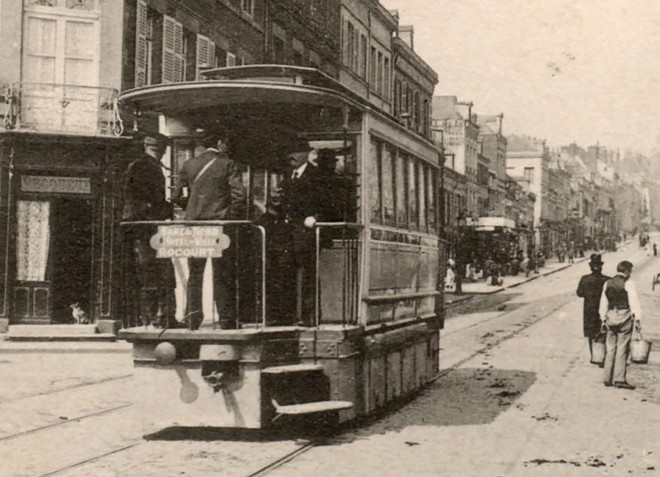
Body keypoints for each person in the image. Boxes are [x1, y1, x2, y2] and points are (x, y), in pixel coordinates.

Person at [172, 131, 246, 330]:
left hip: (194, 226)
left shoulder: (189, 165)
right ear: (220, 142)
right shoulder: (228, 164)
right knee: (222, 273)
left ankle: (192, 318)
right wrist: (226, 215)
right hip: (218, 226)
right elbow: (239, 197)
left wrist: (194, 208)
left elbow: (177, 196)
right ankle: (227, 319)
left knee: (195, 273)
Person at [122, 133, 175, 328]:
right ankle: (157, 318)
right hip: (146, 227)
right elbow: (149, 200)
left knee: (150, 271)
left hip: (140, 226)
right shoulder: (148, 167)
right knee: (155, 271)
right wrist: (168, 208)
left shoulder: (137, 165)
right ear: (160, 149)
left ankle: (154, 317)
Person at [279, 142, 333, 326]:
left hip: (308, 231)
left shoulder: (317, 175)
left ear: (305, 154)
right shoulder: (289, 175)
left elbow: (327, 203)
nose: (291, 156)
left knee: (309, 272)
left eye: (295, 152)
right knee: (286, 270)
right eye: (289, 152)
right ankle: (288, 315)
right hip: (290, 232)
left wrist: (314, 217)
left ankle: (310, 317)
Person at [598, 260, 642, 389]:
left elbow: (603, 302)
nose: (630, 274)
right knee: (622, 348)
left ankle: (607, 377)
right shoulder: (628, 284)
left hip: (611, 315)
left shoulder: (608, 283)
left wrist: (603, 318)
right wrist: (638, 318)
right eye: (630, 272)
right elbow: (634, 302)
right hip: (624, 317)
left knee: (610, 347)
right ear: (626, 271)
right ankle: (619, 378)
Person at [576, 254, 609, 364]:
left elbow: (579, 293)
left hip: (589, 310)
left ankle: (594, 356)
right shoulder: (606, 280)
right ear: (601, 267)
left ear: (590, 267)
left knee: (591, 334)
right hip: (603, 309)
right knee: (603, 332)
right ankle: (603, 357)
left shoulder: (585, 279)